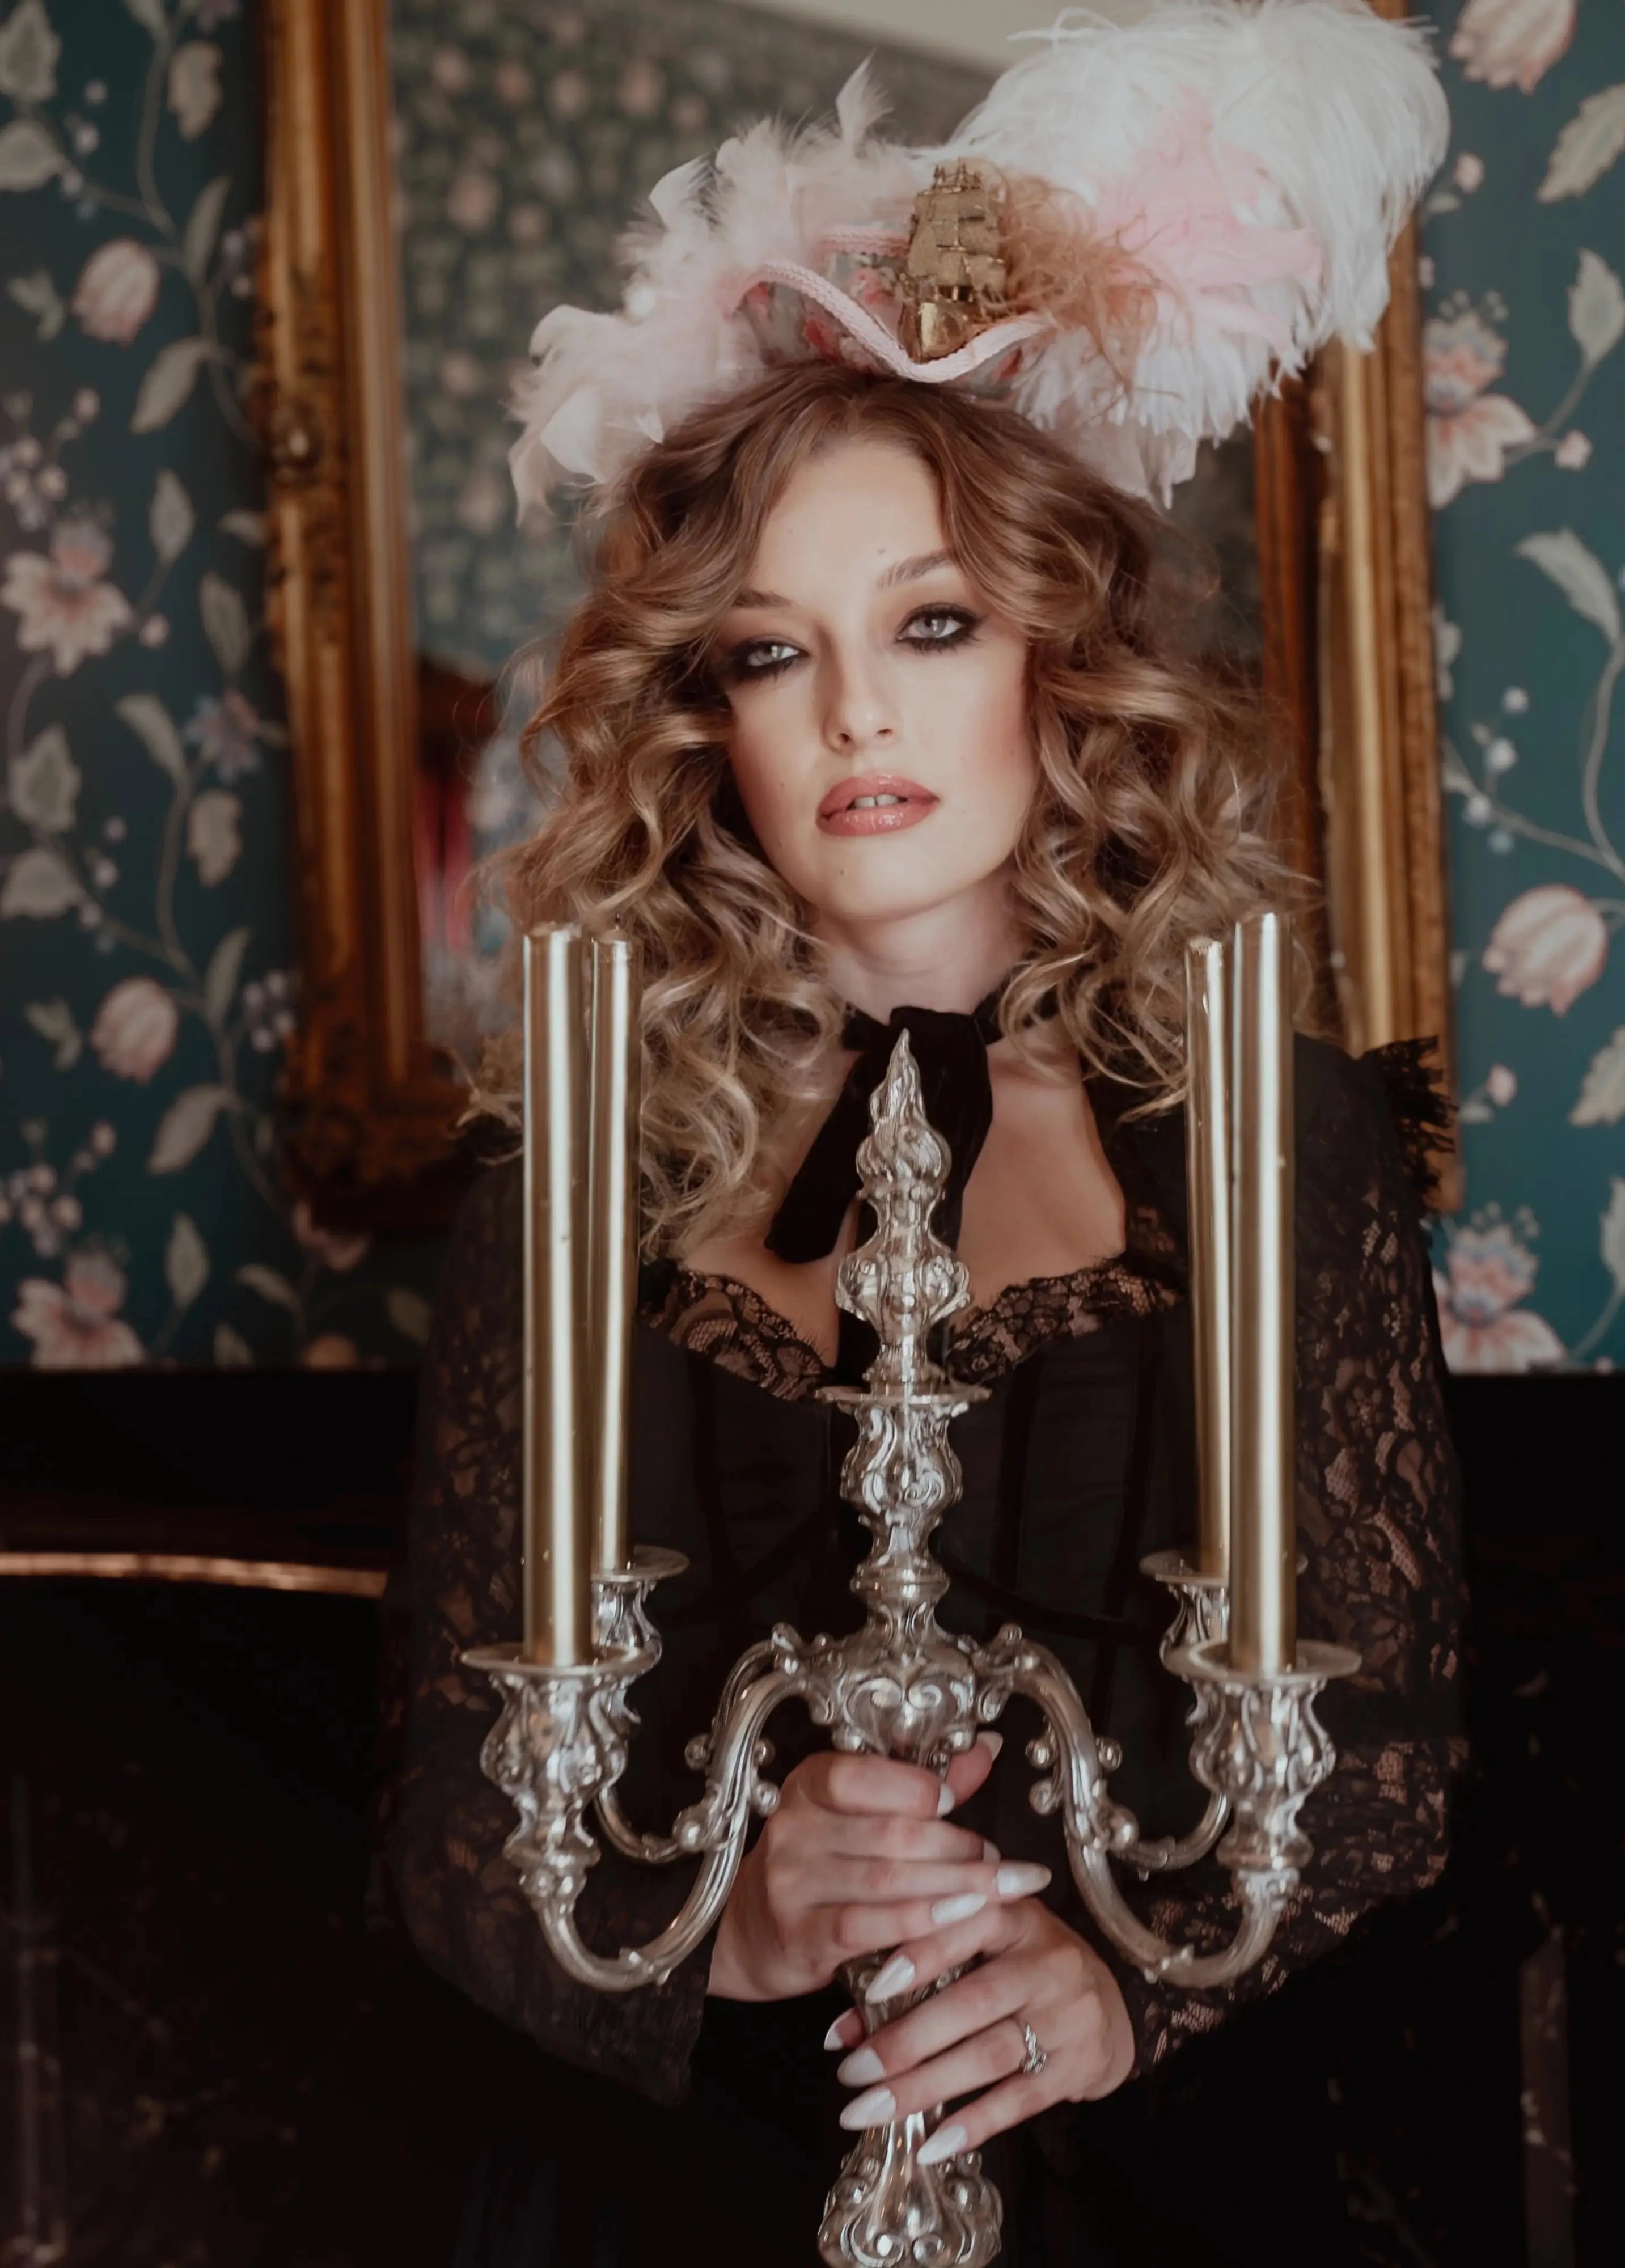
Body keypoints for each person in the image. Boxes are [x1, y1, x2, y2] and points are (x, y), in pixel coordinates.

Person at [384, 9, 1465, 2262]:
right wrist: (733, 1923)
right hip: (676, 2175)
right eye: (773, 651)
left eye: (934, 620)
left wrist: (1131, 1993)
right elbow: (454, 1821)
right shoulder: (582, 1150)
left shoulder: (1249, 1119)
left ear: (1057, 655)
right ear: (709, 713)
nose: (860, 709)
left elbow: (1377, 1763)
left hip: (1156, 2158)